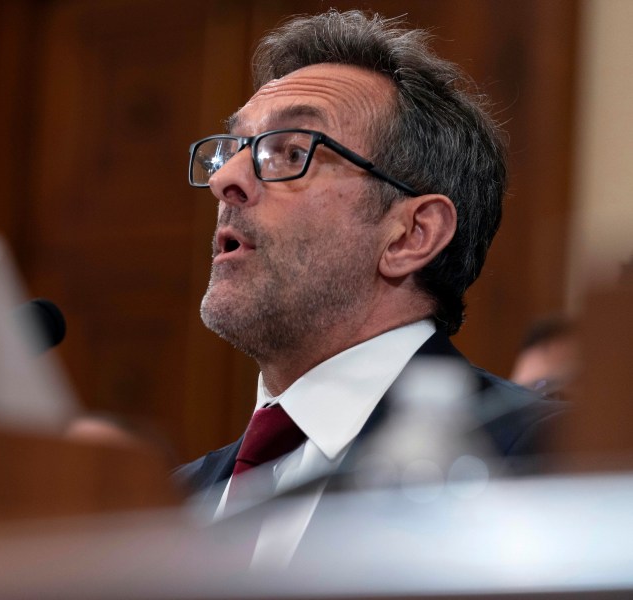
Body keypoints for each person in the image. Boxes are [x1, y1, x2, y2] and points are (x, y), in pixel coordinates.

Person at [174, 9, 564, 511]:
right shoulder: (173, 503)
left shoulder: (543, 457)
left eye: (291, 152)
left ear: (411, 235)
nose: (224, 178)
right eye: (233, 150)